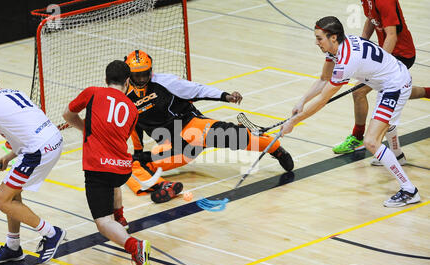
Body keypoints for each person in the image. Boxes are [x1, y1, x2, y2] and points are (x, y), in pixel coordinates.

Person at [122, 50, 294, 205]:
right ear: (129, 75)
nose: (142, 79)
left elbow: (197, 90)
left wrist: (225, 96)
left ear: (150, 70)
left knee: (234, 136)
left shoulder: (166, 82)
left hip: (193, 126)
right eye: (138, 76)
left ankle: (275, 147)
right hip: (175, 147)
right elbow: (134, 127)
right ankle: (163, 186)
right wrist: (138, 151)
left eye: (145, 74)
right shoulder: (125, 98)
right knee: (130, 165)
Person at [283, 16, 420, 207]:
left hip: (395, 85)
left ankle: (409, 190)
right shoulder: (338, 48)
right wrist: (302, 101)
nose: (316, 42)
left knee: (371, 141)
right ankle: (397, 156)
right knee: (384, 126)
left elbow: (323, 99)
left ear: (333, 37)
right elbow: (324, 79)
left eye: (319, 38)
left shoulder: (347, 60)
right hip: (388, 81)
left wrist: (293, 122)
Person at [62, 60, 150, 265]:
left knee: (102, 223)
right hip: (123, 168)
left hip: (98, 167)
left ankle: (134, 246)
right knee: (112, 183)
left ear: (105, 80)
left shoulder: (93, 92)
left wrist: (86, 130)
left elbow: (67, 115)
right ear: (128, 82)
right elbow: (121, 135)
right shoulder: (132, 107)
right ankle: (120, 219)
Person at [323, 0, 430, 157]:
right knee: (400, 90)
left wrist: (380, 67)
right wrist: (362, 41)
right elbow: (371, 19)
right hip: (388, 53)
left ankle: (357, 138)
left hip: (401, 53)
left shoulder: (384, 1)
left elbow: (392, 36)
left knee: (359, 92)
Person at [0, 72, 66, 265]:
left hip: (39, 149)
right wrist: (8, 156)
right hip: (51, 139)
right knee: (11, 194)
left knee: (1, 200)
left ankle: (51, 233)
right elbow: (26, 130)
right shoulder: (14, 93)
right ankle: (13, 246)